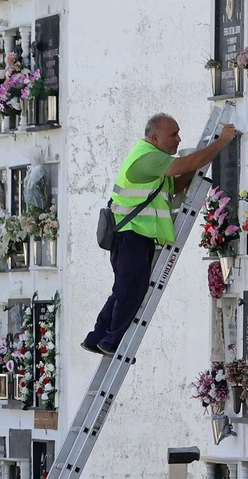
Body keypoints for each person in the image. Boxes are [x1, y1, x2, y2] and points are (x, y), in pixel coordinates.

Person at [84, 114, 240, 355]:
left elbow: (173, 187)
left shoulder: (149, 158)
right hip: (133, 235)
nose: (178, 139)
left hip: (132, 235)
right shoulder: (149, 158)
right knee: (131, 293)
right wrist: (221, 142)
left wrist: (192, 171)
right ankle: (111, 342)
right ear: (155, 137)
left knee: (123, 290)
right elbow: (185, 164)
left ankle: (97, 337)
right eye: (173, 134)